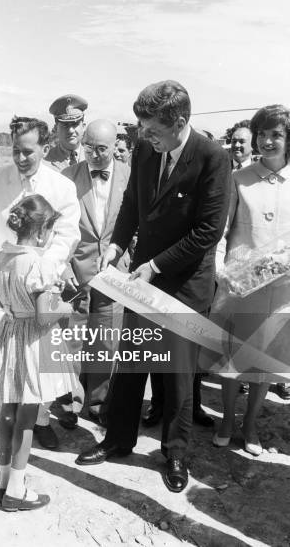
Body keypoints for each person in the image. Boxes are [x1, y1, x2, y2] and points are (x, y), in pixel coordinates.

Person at [76, 80, 231, 494]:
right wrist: (115, 246)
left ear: (179, 122)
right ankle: (117, 439)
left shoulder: (213, 158)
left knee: (178, 378)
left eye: (152, 130)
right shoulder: (146, 149)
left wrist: (156, 265)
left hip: (183, 284)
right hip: (141, 280)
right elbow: (132, 205)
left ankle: (175, 453)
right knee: (131, 365)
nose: (143, 137)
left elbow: (208, 232)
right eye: (142, 129)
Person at [0, 117, 81, 447]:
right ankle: (6, 413)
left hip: (42, 283)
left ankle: (40, 417)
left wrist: (45, 269)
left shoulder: (61, 187)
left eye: (28, 152)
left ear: (45, 149)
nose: (20, 159)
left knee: (40, 350)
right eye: (15, 151)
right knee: (2, 347)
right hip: (2, 282)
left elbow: (68, 233)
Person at [0, 196, 76, 511]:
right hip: (31, 344)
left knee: (6, 413)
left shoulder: (4, 255)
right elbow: (43, 315)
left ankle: (4, 480)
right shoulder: (39, 262)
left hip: (8, 337)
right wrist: (66, 305)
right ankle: (16, 492)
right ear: (43, 231)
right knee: (27, 419)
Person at [212, 104, 290, 456]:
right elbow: (222, 232)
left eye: (276, 134)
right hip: (239, 287)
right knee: (233, 360)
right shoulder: (239, 179)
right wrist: (221, 271)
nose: (268, 140)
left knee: (266, 361)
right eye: (263, 133)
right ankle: (228, 419)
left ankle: (251, 424)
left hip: (281, 290)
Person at [60, 119, 130, 427]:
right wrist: (61, 265)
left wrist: (128, 259)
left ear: (116, 146)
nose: (95, 154)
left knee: (106, 341)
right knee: (72, 339)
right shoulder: (66, 178)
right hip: (74, 273)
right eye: (89, 147)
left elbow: (139, 225)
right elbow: (53, 229)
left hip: (114, 273)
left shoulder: (131, 177)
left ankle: (99, 400)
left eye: (102, 148)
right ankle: (71, 400)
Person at [44, 94, 88, 170]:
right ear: (56, 128)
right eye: (65, 125)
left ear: (83, 127)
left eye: (75, 124)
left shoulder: (94, 157)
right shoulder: (44, 161)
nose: (70, 130)